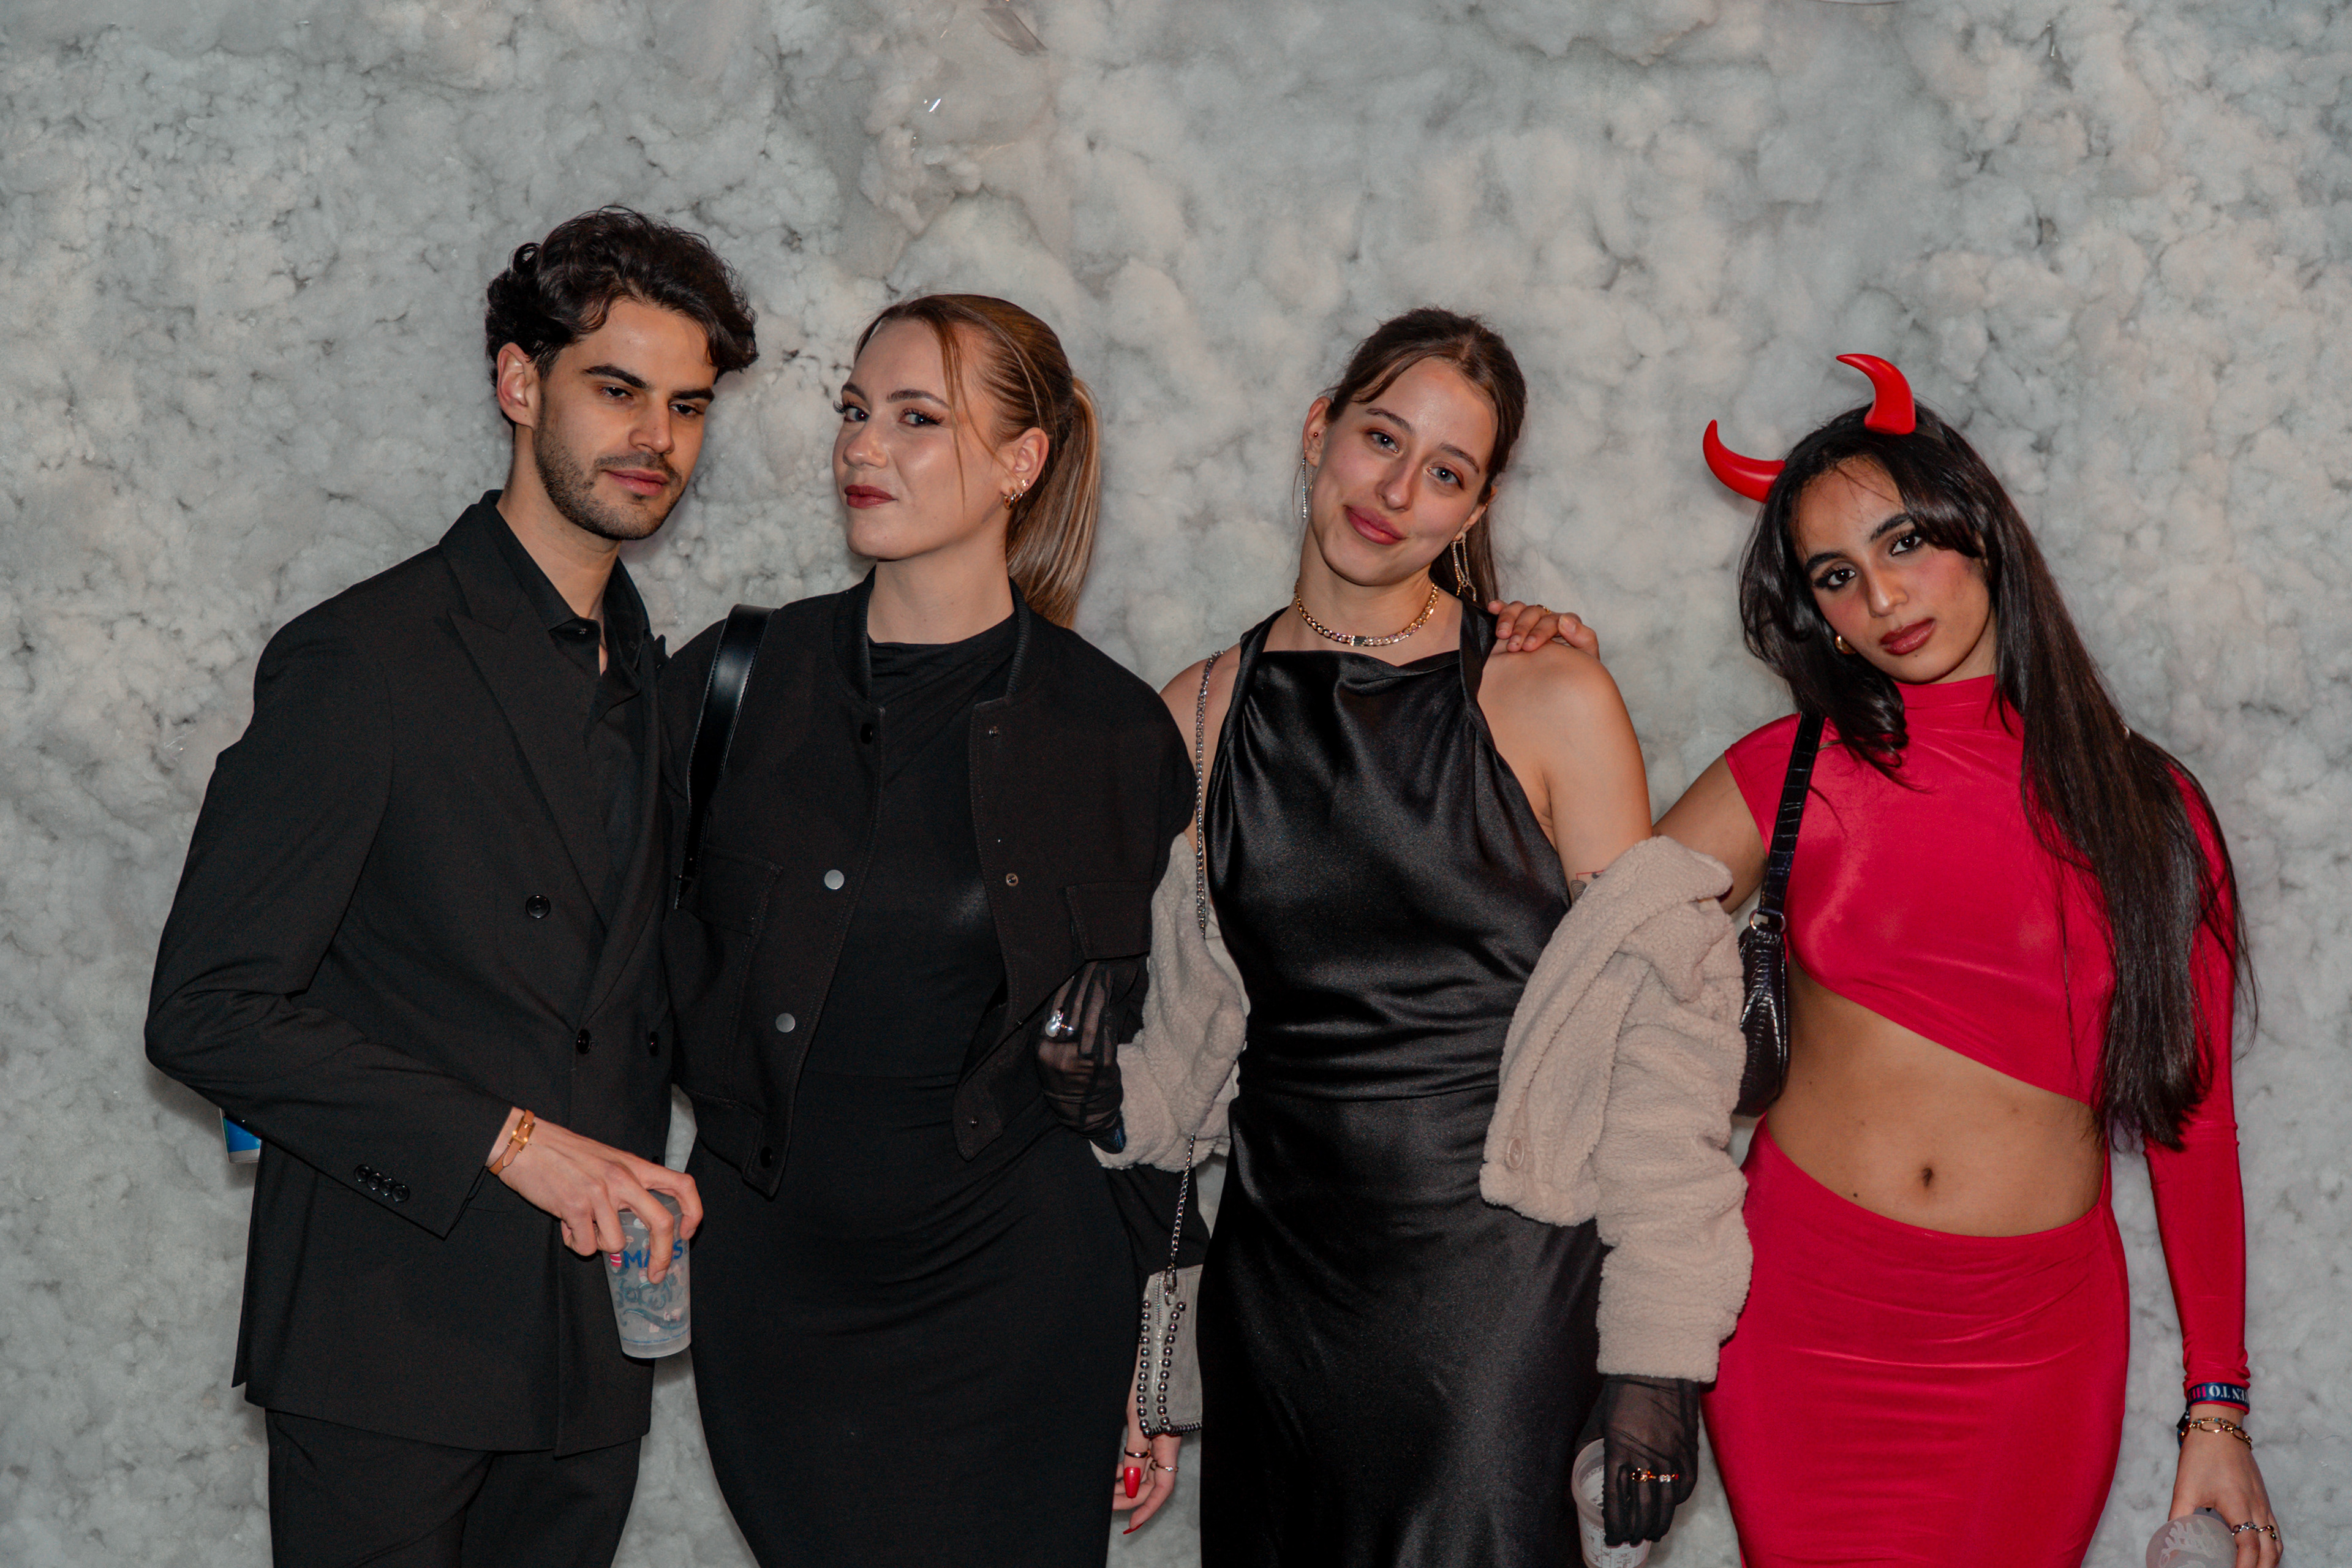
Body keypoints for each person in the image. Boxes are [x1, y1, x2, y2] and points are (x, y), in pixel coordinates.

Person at [146, 207, 758, 1567]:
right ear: (519, 382)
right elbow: (207, 1009)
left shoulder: (660, 684)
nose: (656, 438)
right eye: (616, 389)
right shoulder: (363, 660)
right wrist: (512, 1140)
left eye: (687, 406)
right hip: (389, 1340)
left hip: (589, 1353)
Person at [1113, 307, 1751, 1566]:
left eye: (1446, 472)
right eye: (1381, 439)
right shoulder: (1194, 713)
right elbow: (1180, 1067)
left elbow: (1662, 1041)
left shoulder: (1551, 693)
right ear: (1319, 431)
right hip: (1276, 1296)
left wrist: (1656, 1360)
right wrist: (1149, 1346)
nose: (1398, 491)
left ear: (1477, 508)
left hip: (1497, 1297)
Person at [1661, 356, 2281, 1567]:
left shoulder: (2149, 809)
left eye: (1904, 542)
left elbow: (2196, 1124)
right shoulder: (1788, 770)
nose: (1883, 596)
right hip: (1799, 1323)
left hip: (2032, 1351)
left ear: (1981, 530)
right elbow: (1590, 970)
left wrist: (2218, 1406)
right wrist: (1537, 676)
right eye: (1836, 575)